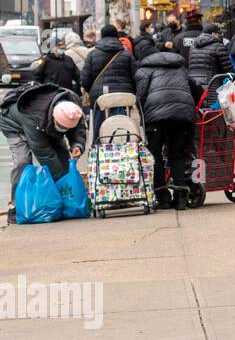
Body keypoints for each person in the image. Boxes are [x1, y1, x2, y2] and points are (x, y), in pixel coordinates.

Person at [0, 82, 85, 224]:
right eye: (61, 127)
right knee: (23, 162)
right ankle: (18, 206)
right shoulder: (34, 117)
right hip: (13, 123)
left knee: (63, 155)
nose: (63, 130)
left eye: (66, 128)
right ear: (53, 118)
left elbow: (79, 128)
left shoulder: (74, 108)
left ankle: (63, 201)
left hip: (43, 124)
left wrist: (78, 145)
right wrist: (63, 185)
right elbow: (45, 154)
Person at [134, 49, 200, 208]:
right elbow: (196, 89)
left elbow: (140, 95)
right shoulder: (181, 68)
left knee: (155, 154)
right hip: (183, 115)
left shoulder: (144, 70)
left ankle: (162, 197)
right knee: (177, 154)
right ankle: (181, 198)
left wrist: (141, 114)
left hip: (156, 119)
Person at [81, 25, 138, 137]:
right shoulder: (126, 54)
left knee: (100, 128)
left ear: (101, 36)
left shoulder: (92, 54)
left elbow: (85, 79)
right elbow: (135, 77)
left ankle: (99, 146)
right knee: (122, 126)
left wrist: (88, 90)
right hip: (123, 97)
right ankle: (122, 146)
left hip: (100, 97)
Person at [186, 23, 235, 91]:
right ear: (213, 34)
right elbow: (228, 68)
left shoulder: (193, 46)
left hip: (192, 83)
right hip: (211, 83)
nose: (221, 36)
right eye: (219, 34)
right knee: (212, 101)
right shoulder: (218, 46)